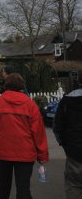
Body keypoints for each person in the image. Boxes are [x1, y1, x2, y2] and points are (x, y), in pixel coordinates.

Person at [0, 73, 49, 199]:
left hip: (2, 151)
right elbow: (38, 132)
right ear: (21, 86)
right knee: (23, 187)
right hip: (25, 152)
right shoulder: (30, 104)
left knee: (3, 184)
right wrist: (42, 155)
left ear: (6, 85)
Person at [53, 68, 82, 199]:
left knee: (74, 186)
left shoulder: (66, 101)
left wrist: (65, 145)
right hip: (73, 150)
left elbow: (57, 127)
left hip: (74, 154)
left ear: (78, 80)